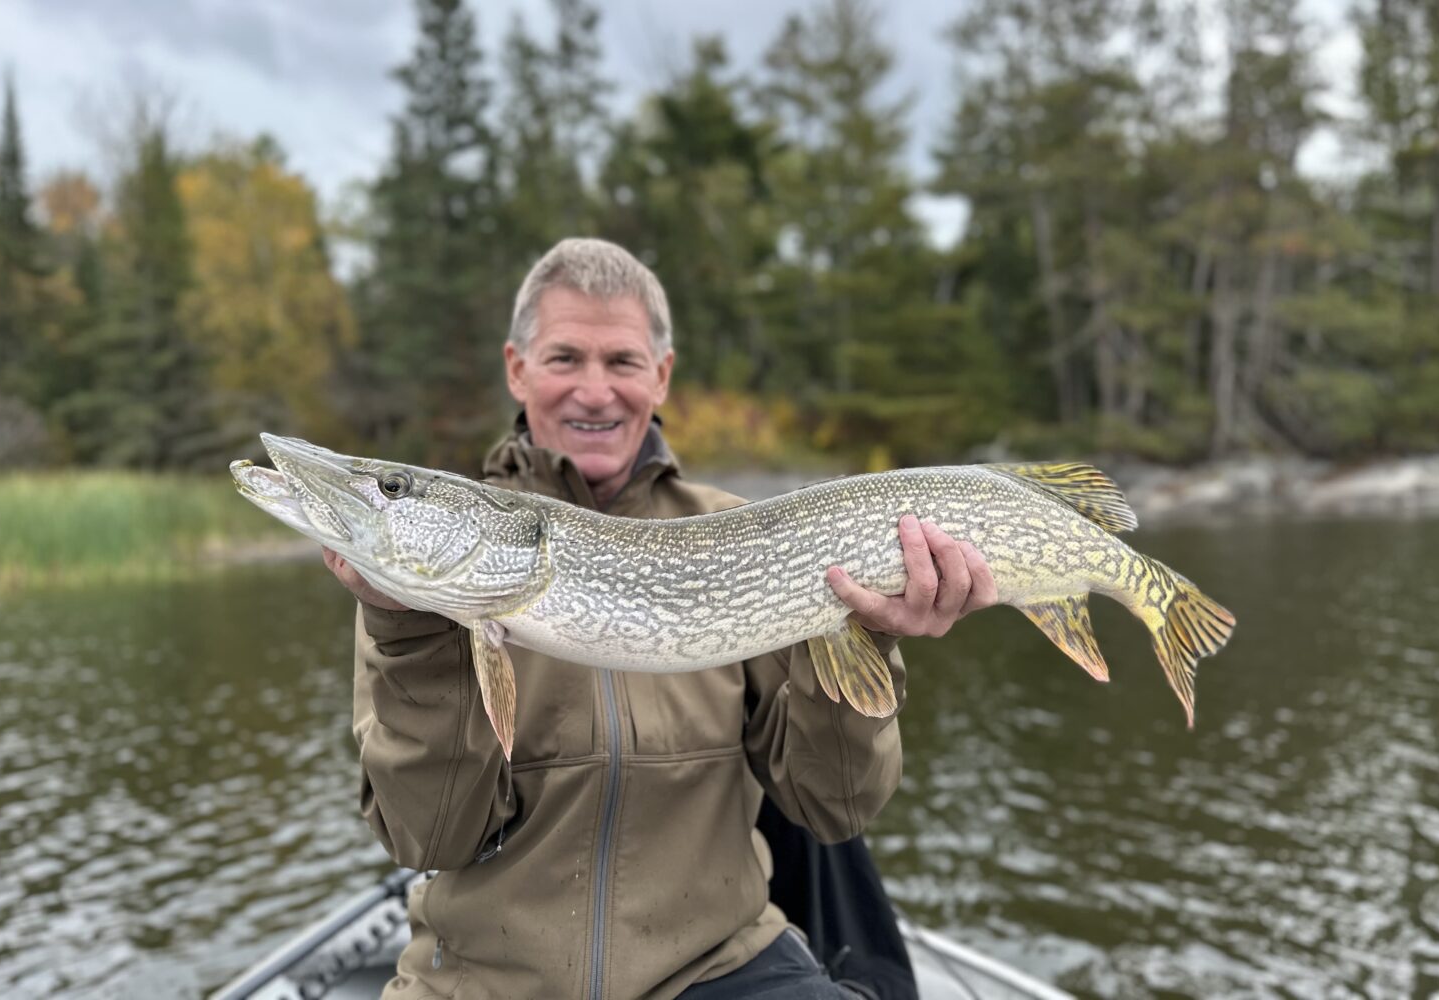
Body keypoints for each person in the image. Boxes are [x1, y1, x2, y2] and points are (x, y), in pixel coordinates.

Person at [325, 238, 998, 1000]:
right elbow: (431, 837)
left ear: (662, 375)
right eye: (564, 359)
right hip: (486, 980)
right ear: (517, 369)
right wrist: (411, 633)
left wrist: (868, 633)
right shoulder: (419, 585)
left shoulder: (745, 531)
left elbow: (835, 804)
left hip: (719, 967)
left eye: (621, 362)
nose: (594, 391)